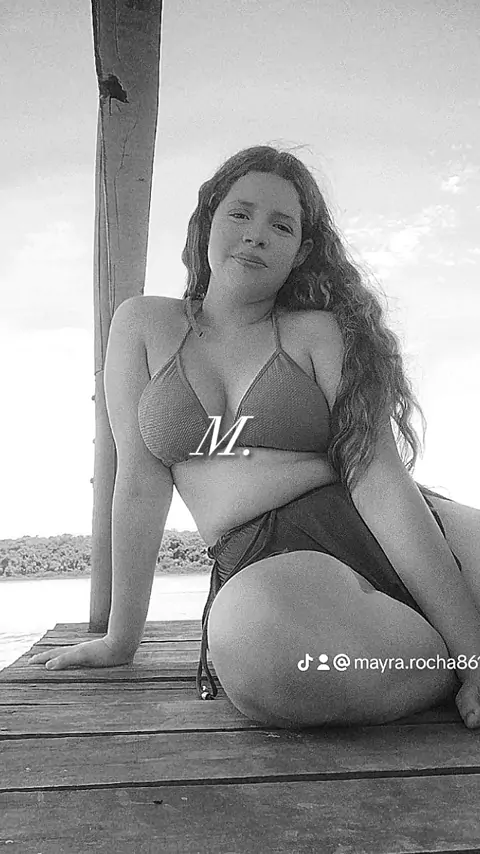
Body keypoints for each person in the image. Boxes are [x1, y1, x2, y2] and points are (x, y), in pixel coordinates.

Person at [29, 145, 480, 731]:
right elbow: (138, 484)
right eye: (240, 214)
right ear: (207, 221)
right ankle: (443, 668)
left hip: (382, 525)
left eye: (281, 225)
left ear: (301, 252)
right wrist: (121, 638)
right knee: (265, 657)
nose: (256, 234)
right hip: (270, 565)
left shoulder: (316, 333)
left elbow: (379, 481)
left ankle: (457, 653)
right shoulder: (142, 324)